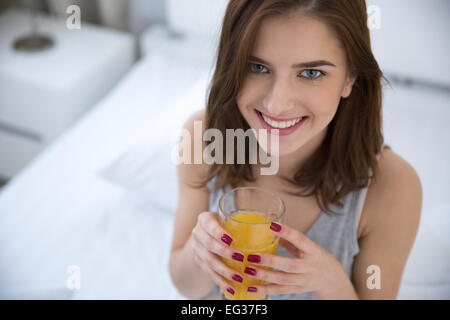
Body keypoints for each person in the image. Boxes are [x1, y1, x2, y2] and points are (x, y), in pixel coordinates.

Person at [169, 0, 422, 300]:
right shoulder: (203, 138)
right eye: (257, 67)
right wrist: (201, 255)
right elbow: (185, 285)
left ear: (351, 77)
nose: (277, 105)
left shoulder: (393, 186)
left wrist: (331, 282)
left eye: (311, 73)